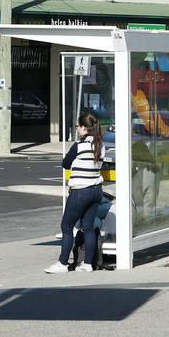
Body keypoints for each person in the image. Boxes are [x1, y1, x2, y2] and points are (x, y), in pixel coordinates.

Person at [44, 111, 105, 274]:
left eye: (78, 126)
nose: (77, 129)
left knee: (66, 226)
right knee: (89, 227)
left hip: (80, 192)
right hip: (97, 190)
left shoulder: (79, 146)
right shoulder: (100, 146)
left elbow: (66, 164)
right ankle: (87, 264)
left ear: (85, 128)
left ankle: (62, 263)